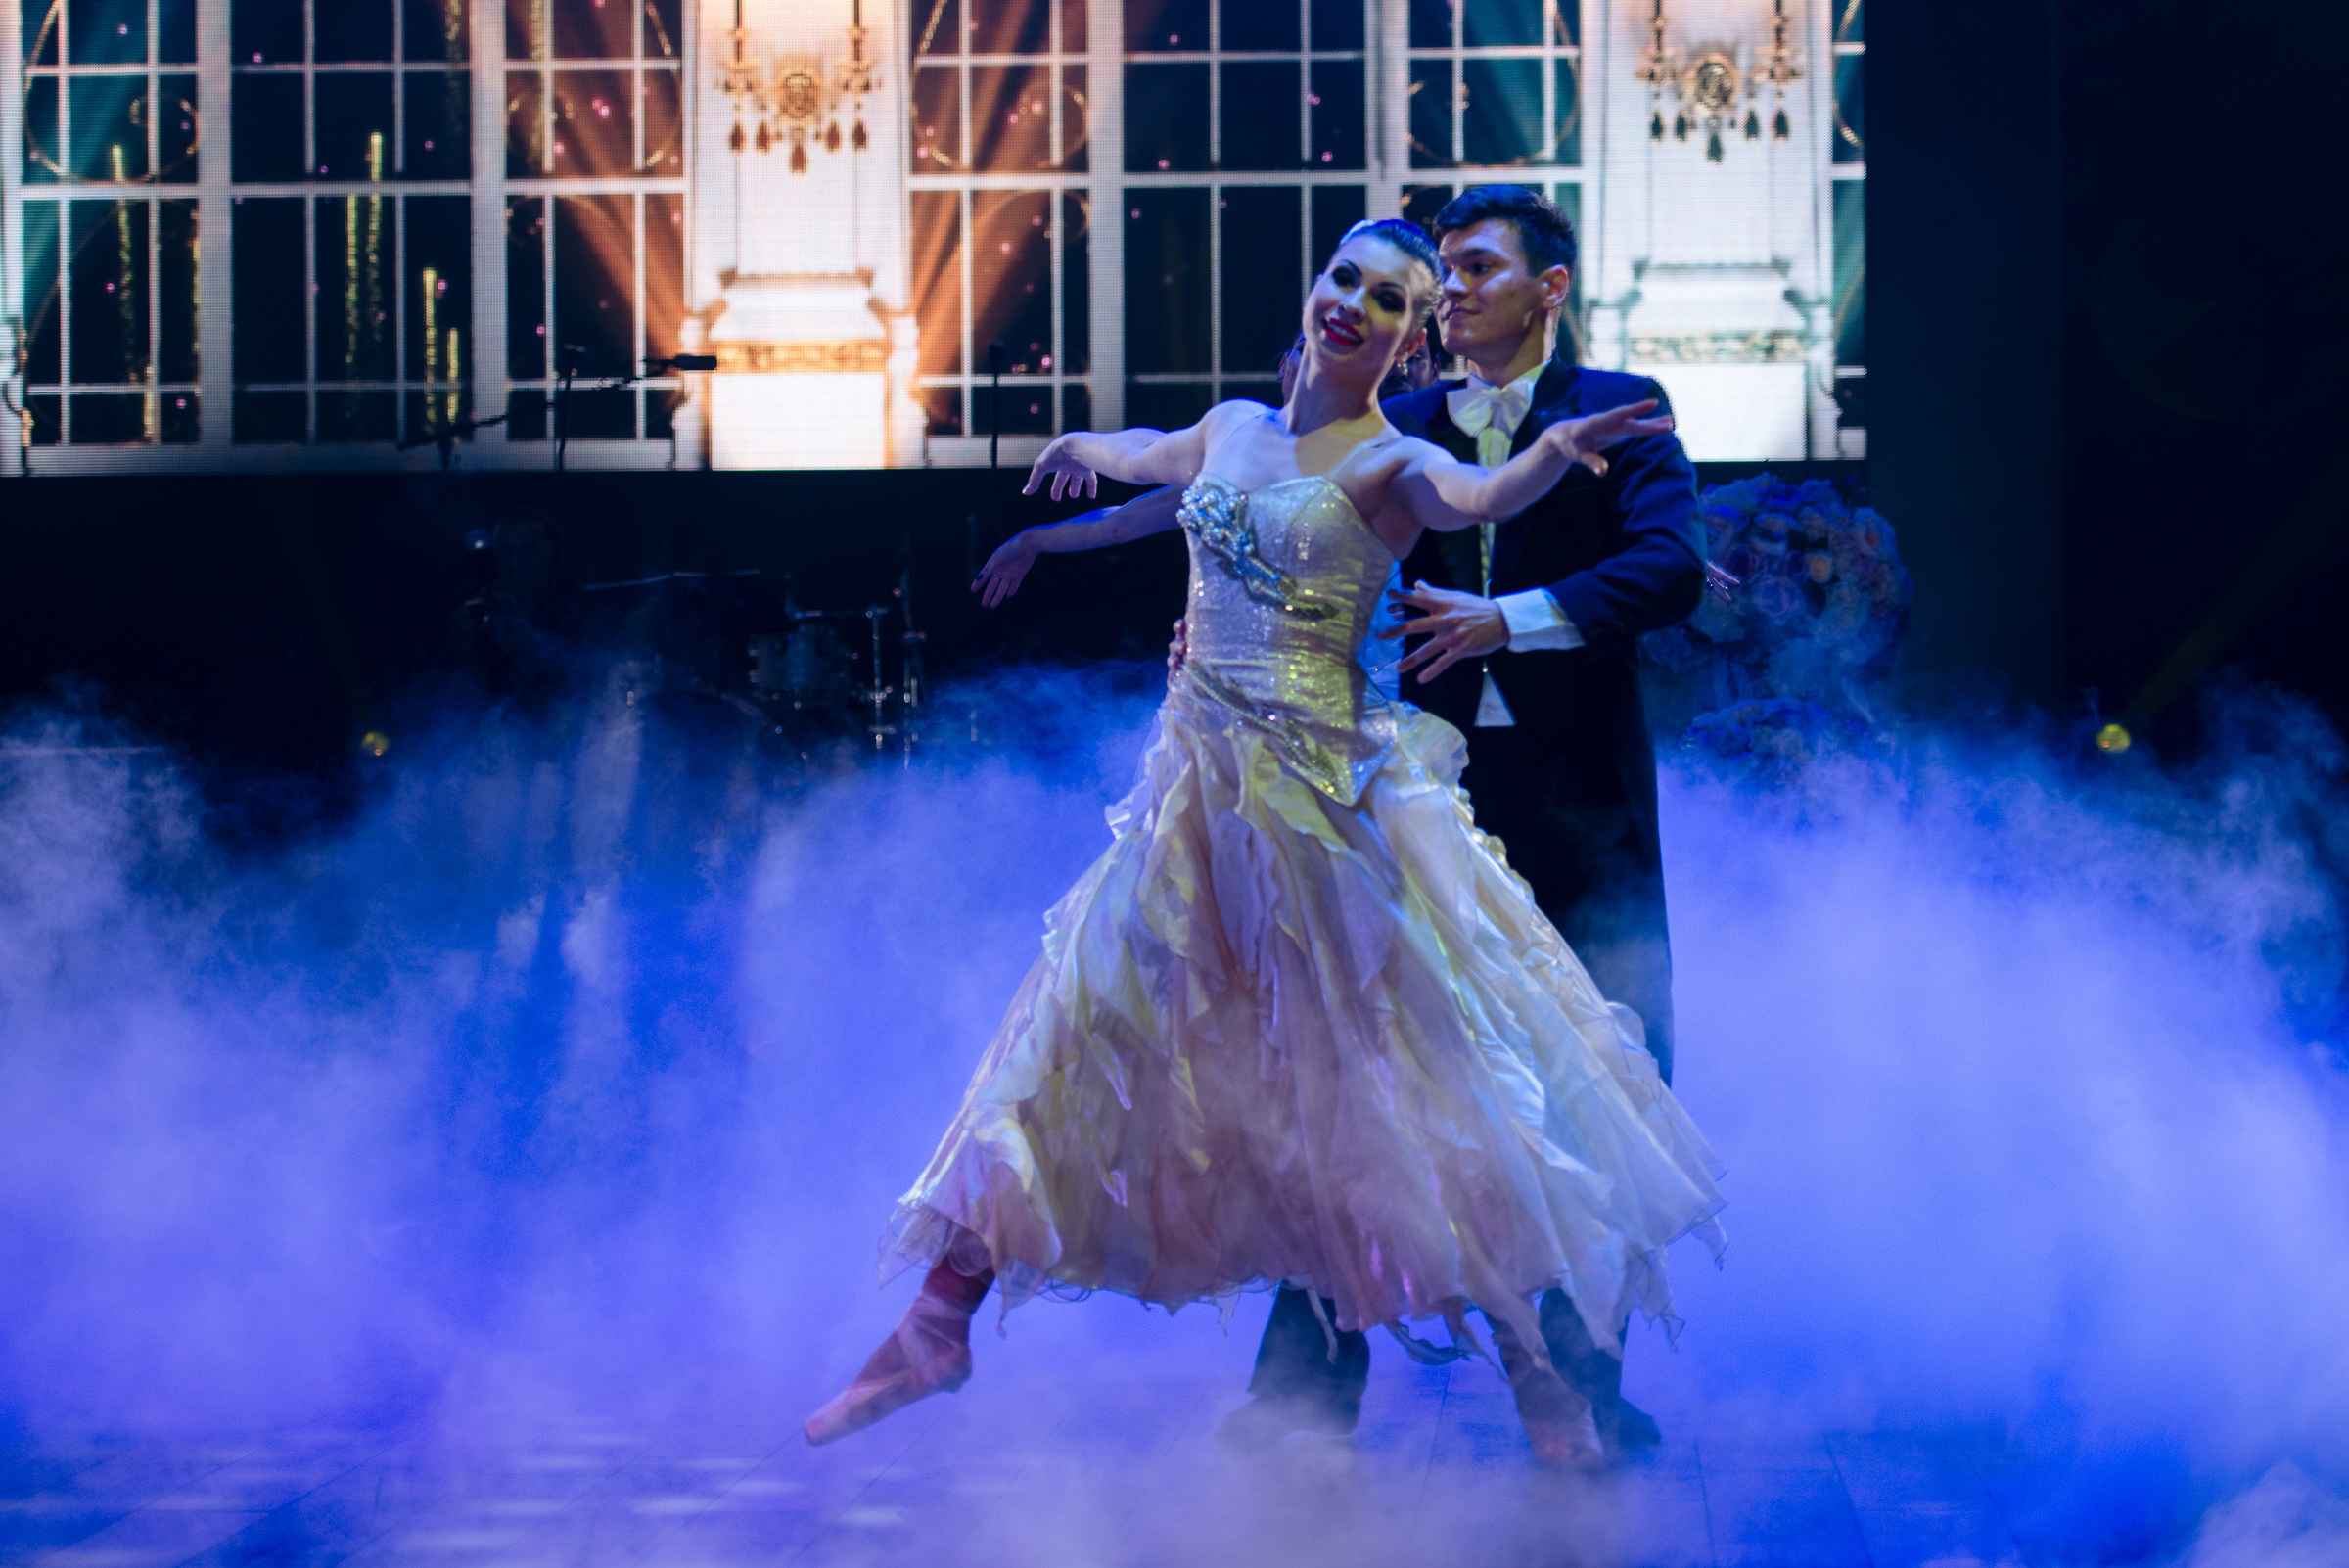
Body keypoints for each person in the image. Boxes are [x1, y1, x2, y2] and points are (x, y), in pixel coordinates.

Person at [806, 218, 1726, 1470]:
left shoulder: (1416, 455)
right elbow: (1161, 492)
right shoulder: (1245, 422)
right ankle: (943, 1321)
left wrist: (1550, 460)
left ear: (1419, 340)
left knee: (1431, 1085)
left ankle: (1554, 1391)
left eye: (1402, 295)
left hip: (1355, 804)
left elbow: (1498, 502)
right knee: (1078, 1027)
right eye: (1350, 277)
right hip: (1201, 802)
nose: (1368, 301)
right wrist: (1062, 492)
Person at [1237, 187, 1710, 1454]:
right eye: (1438, 271)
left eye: (1478, 267)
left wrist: (1517, 616)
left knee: (1582, 1091)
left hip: (1576, 816)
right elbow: (1285, 555)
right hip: (1413, 802)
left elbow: (1669, 566)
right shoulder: (1398, 422)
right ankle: (1298, 1399)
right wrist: (1220, 628)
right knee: (1367, 1080)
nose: (1449, 292)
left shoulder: (1618, 410)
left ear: (1550, 287)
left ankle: (1583, 1392)